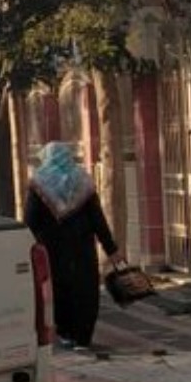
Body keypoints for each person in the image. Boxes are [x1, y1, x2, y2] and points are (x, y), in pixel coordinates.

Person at [23, 141, 119, 350]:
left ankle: (65, 333)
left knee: (58, 290)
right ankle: (83, 337)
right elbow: (97, 219)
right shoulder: (83, 181)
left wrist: (25, 248)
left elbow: (30, 221)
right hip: (82, 248)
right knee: (85, 290)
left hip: (51, 250)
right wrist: (111, 249)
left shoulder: (39, 184)